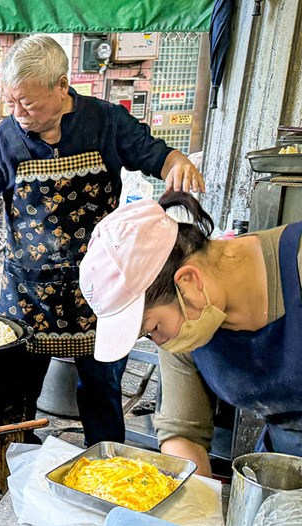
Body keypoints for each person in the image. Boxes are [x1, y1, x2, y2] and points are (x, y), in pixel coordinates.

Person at [0, 35, 204, 446]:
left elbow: (156, 155)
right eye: (11, 103)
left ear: (62, 87)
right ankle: (10, 467)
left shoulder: (107, 122)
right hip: (28, 293)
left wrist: (177, 162)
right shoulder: (4, 141)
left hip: (101, 290)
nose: (18, 113)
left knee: (101, 391)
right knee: (15, 392)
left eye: (28, 102)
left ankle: (107, 465)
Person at [79, 192, 302, 476]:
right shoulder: (184, 323)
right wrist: (198, 511)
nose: (159, 341)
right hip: (283, 470)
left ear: (188, 281)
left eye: (152, 329)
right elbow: (183, 434)